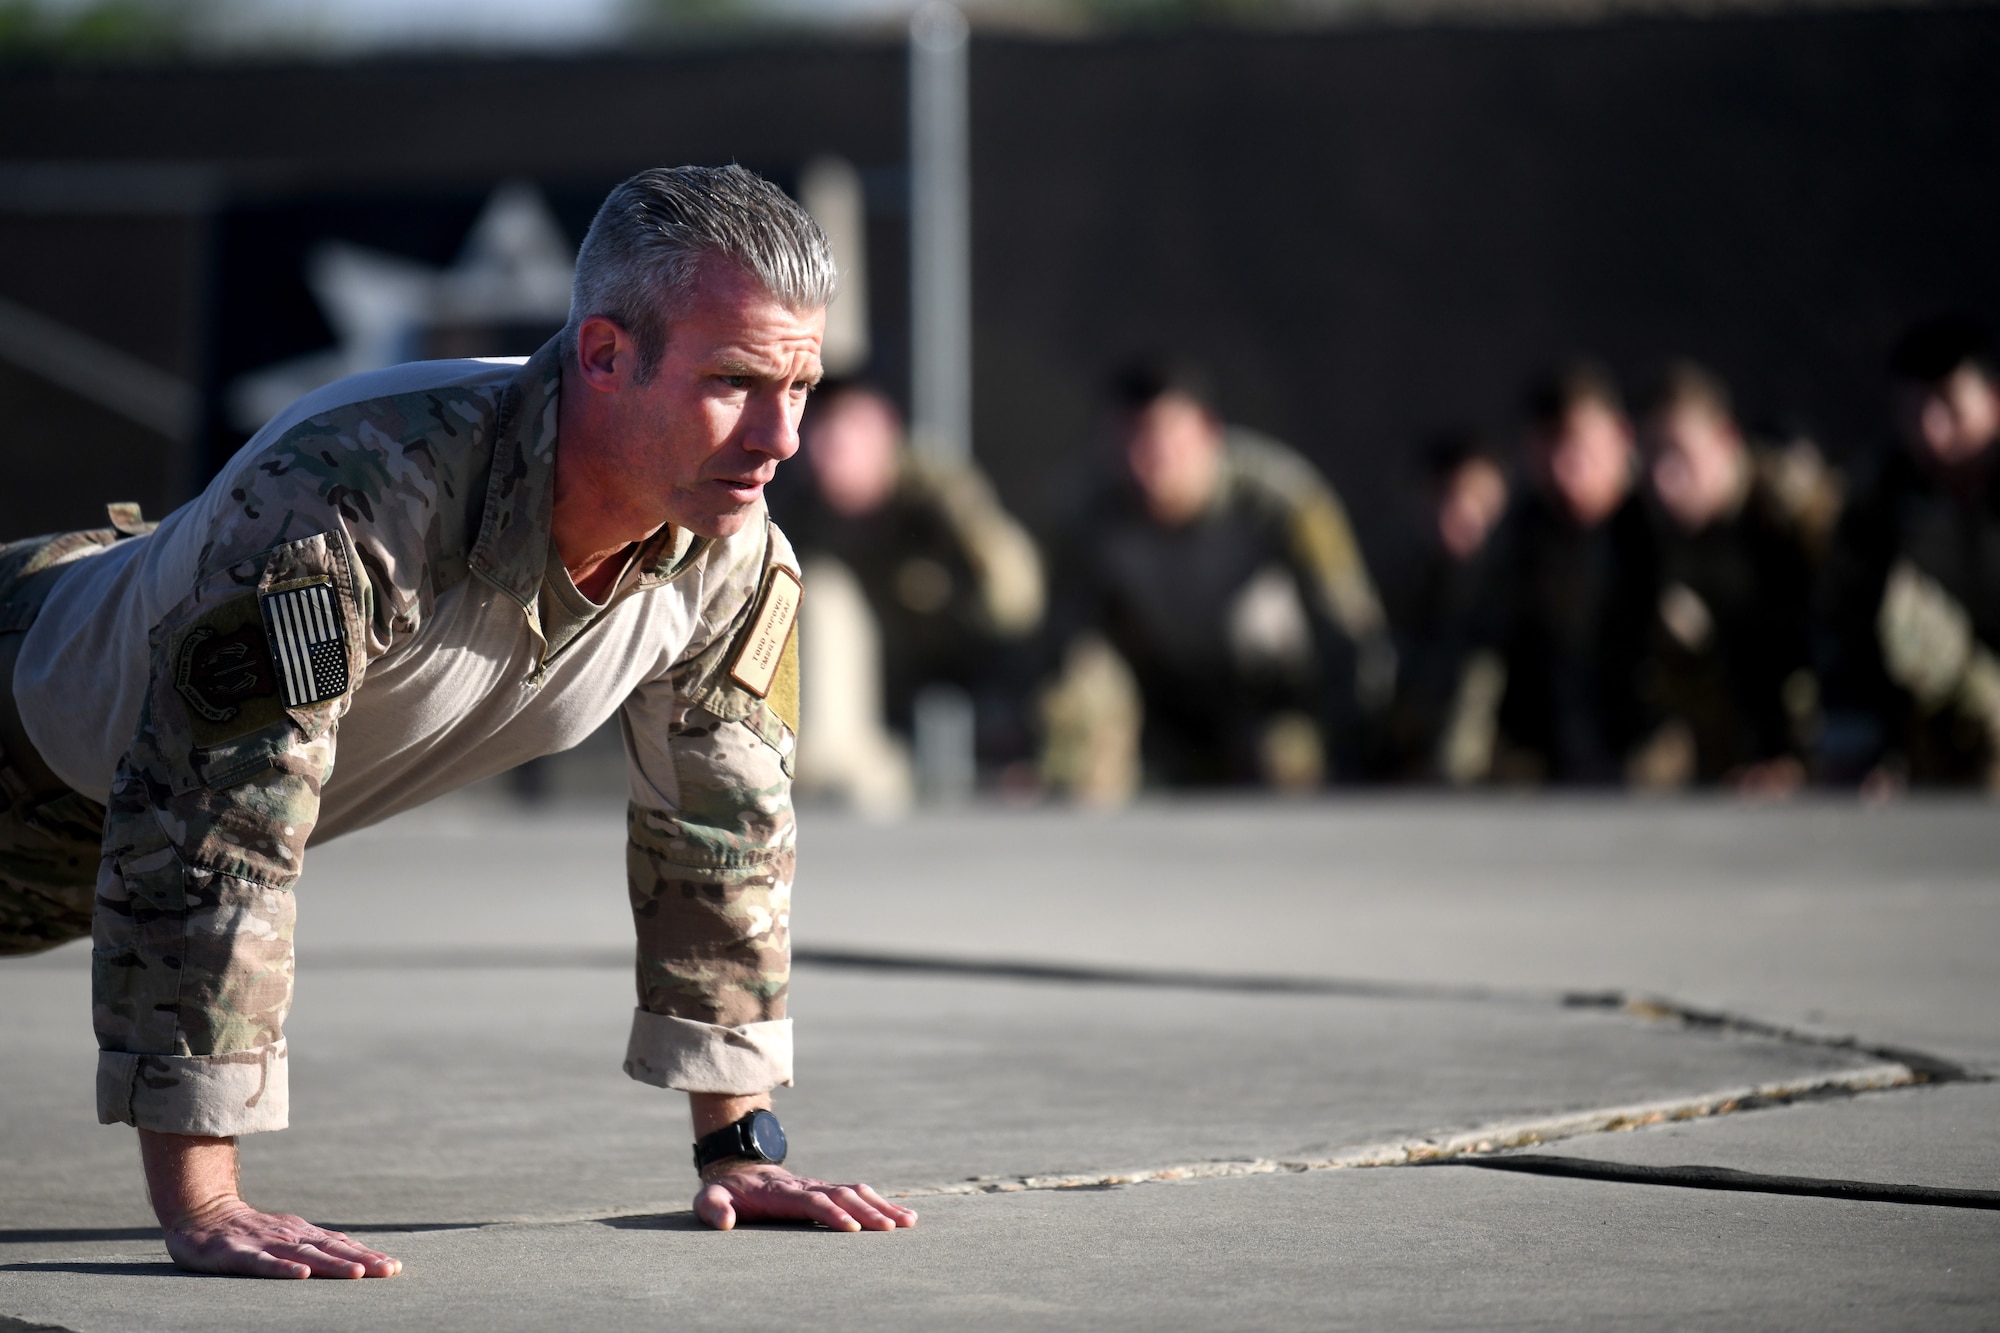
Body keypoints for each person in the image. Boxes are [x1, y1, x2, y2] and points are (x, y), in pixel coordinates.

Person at [0, 165, 917, 1281]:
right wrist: (203, 1198)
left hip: (78, 834)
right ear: (603, 356)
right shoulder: (357, 489)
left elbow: (722, 841)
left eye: (803, 386)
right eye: (733, 381)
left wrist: (738, 1146)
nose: (782, 436)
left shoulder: (734, 556)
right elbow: (212, 826)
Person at [1043, 357, 1391, 791]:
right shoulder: (1088, 511)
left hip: (1267, 696)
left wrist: (1356, 739)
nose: (1143, 460)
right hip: (1158, 701)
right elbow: (1062, 633)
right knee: (1083, 702)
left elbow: (1348, 621)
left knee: (1286, 758)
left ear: (1207, 430)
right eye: (1127, 437)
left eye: (1160, 437)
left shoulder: (1280, 498)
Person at [770, 381, 1042, 810]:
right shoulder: (792, 514)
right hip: (874, 685)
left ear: (887, 435)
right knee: (818, 593)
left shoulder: (934, 493)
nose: (831, 449)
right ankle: (835, 770)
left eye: (851, 432)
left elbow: (1015, 603)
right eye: (819, 432)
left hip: (968, 655)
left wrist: (964, 513)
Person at [1450, 359, 1661, 785]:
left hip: (1657, 758)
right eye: (1549, 448)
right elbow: (1480, 657)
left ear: (1621, 437)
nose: (1566, 468)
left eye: (1580, 446)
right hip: (1551, 761)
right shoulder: (1520, 537)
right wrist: (1458, 765)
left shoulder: (1658, 529)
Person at [1818, 314, 2000, 790]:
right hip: (1936, 724)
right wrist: (1866, 751)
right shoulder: (1880, 499)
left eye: (1950, 408)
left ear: (1993, 403)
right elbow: (1848, 629)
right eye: (1916, 412)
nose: (1934, 431)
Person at [1634, 361, 1834, 791]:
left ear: (1725, 439)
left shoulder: (1797, 514)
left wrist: (1801, 761)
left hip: (1836, 727)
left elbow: (1843, 645)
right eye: (1652, 456)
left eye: (1680, 455)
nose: (1665, 479)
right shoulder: (1654, 528)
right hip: (1743, 736)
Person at [1381, 430, 1510, 783]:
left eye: (1476, 495)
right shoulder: (1400, 578)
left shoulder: (1524, 567)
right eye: (1445, 495)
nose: (1461, 511)